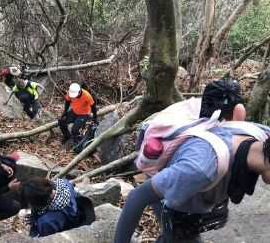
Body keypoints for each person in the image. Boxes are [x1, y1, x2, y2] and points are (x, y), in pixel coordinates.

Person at [114, 78, 270, 243]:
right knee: (176, 235)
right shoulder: (200, 167)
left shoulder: (262, 135)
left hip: (194, 193)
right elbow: (137, 198)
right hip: (170, 189)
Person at [58, 83, 97, 148]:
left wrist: (95, 117)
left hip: (84, 114)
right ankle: (67, 136)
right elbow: (67, 101)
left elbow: (93, 106)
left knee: (74, 130)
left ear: (79, 92)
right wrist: (65, 111)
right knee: (61, 121)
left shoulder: (87, 95)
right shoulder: (70, 93)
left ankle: (77, 143)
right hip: (74, 111)